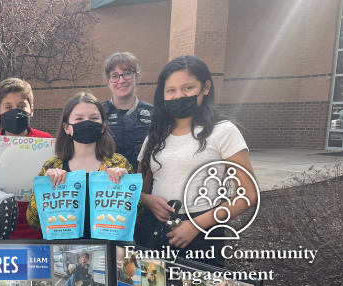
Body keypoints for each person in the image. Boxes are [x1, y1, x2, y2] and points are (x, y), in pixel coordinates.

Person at [136, 55, 257, 268]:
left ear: (206, 87)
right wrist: (147, 200)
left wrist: (195, 225)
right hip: (153, 231)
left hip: (202, 234)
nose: (178, 96)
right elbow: (137, 188)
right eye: (171, 90)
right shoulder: (155, 135)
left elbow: (248, 194)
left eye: (188, 88)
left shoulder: (223, 131)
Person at [26, 92, 133, 239]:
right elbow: (33, 221)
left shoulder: (119, 163)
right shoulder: (51, 166)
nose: (86, 122)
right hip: (65, 254)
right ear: (66, 127)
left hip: (109, 252)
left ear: (102, 126)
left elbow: (136, 217)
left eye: (94, 118)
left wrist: (126, 187)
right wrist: (44, 189)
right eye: (79, 119)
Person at [0, 78, 51, 239]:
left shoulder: (46, 141)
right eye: (8, 107)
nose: (15, 111)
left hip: (40, 230)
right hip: (2, 232)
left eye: (21, 106)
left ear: (31, 109)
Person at [101, 52, 153, 171]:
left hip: (144, 186)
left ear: (137, 76)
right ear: (108, 82)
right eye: (114, 76)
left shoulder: (154, 114)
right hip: (107, 186)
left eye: (127, 73)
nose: (121, 80)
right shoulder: (97, 114)